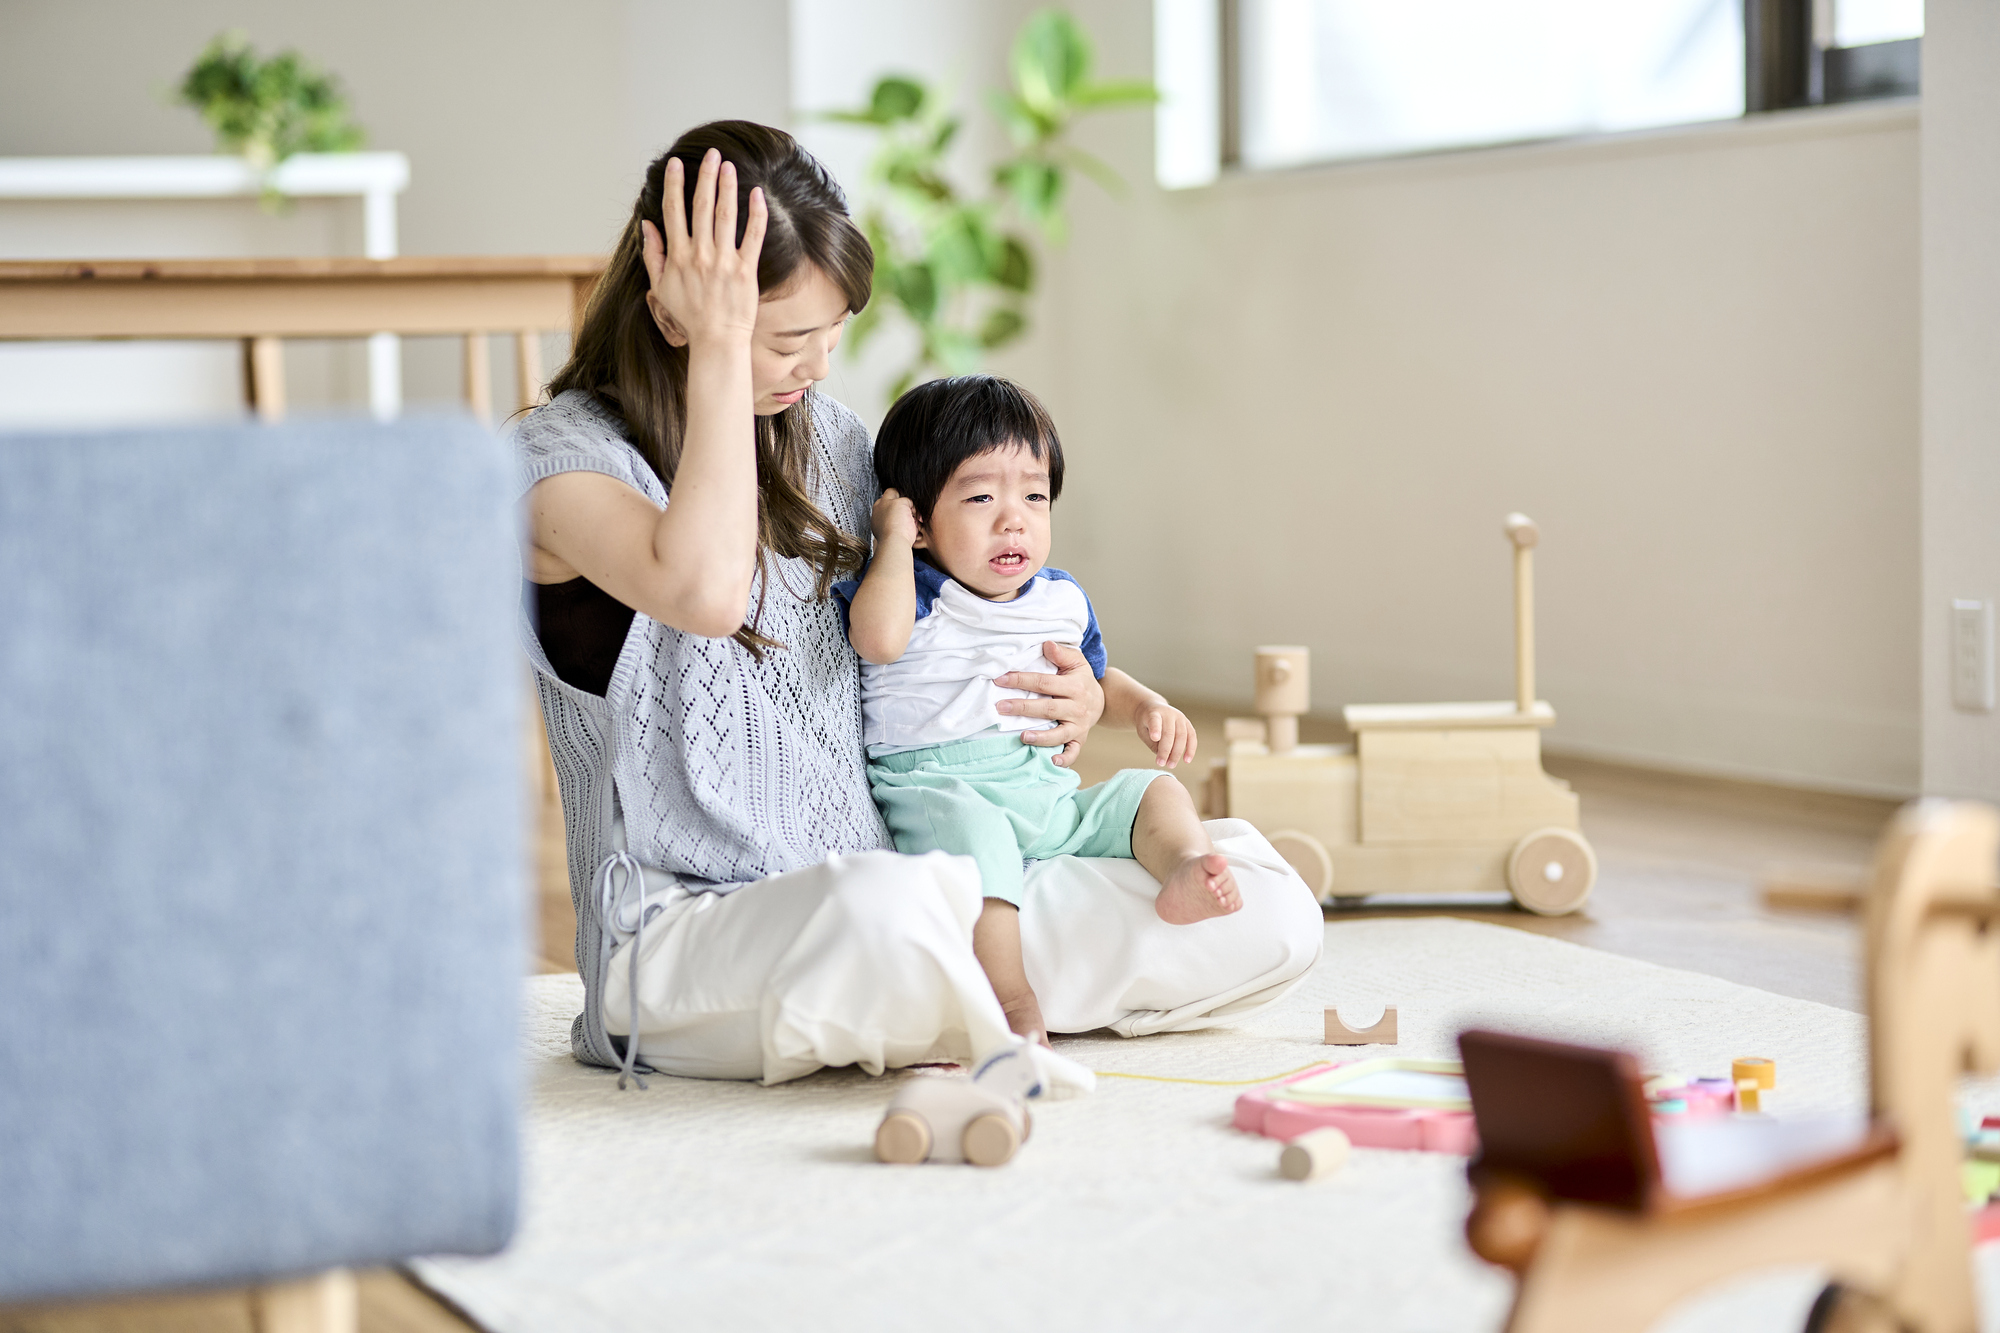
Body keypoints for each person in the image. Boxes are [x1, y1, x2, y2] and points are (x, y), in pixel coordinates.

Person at [515, 119, 1322, 1093]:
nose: (816, 367)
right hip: (693, 940)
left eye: (831, 333)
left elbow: (948, 613)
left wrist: (1069, 695)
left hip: (921, 876)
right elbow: (705, 591)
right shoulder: (555, 463)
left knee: (1262, 899)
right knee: (879, 915)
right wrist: (721, 352)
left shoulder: (830, 441)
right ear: (680, 311)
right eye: (786, 339)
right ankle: (964, 998)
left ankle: (968, 1000)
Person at [838, 375, 1243, 1044]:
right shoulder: (914, 590)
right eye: (979, 497)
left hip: (1046, 793)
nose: (1014, 518)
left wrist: (1144, 706)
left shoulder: (1058, 599)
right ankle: (1011, 997)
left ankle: (1186, 870)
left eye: (1033, 494)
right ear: (917, 519)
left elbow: (1096, 680)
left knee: (1154, 790)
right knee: (982, 840)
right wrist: (890, 547)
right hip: (944, 789)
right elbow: (876, 640)